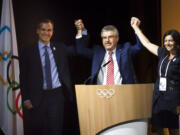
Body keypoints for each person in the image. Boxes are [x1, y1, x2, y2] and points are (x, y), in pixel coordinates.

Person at [20, 19, 74, 135]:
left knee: (56, 131)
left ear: (52, 32)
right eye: (43, 30)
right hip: (36, 97)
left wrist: (81, 32)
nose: (46, 33)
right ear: (37, 31)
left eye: (49, 30)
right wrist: (26, 99)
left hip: (56, 96)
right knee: (36, 130)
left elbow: (78, 49)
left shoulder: (60, 48)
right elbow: (23, 77)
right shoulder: (28, 51)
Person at [131, 17, 180, 135]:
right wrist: (136, 28)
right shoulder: (163, 53)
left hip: (173, 100)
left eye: (171, 41)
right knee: (156, 130)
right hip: (158, 97)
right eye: (165, 40)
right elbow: (146, 43)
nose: (167, 43)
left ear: (176, 42)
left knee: (173, 131)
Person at [74, 19, 142, 85]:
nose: (107, 40)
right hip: (100, 92)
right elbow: (81, 50)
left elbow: (140, 46)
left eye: (110, 37)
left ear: (117, 38)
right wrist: (82, 30)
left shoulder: (125, 50)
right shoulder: (97, 52)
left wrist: (136, 28)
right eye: (104, 37)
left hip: (122, 92)